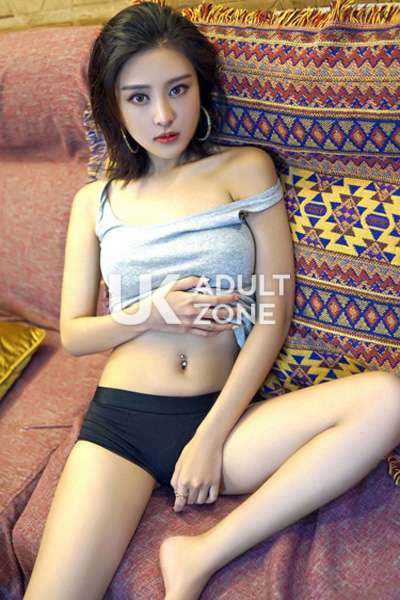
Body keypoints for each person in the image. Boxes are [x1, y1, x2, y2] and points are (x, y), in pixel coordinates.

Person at [23, 3, 400, 600]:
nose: (164, 115)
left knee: (387, 399)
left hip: (224, 418)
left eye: (178, 88)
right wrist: (149, 312)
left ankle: (198, 554)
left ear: (201, 86)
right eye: (139, 97)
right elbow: (73, 333)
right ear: (113, 107)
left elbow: (274, 311)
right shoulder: (94, 202)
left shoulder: (244, 170)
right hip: (123, 422)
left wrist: (210, 436)